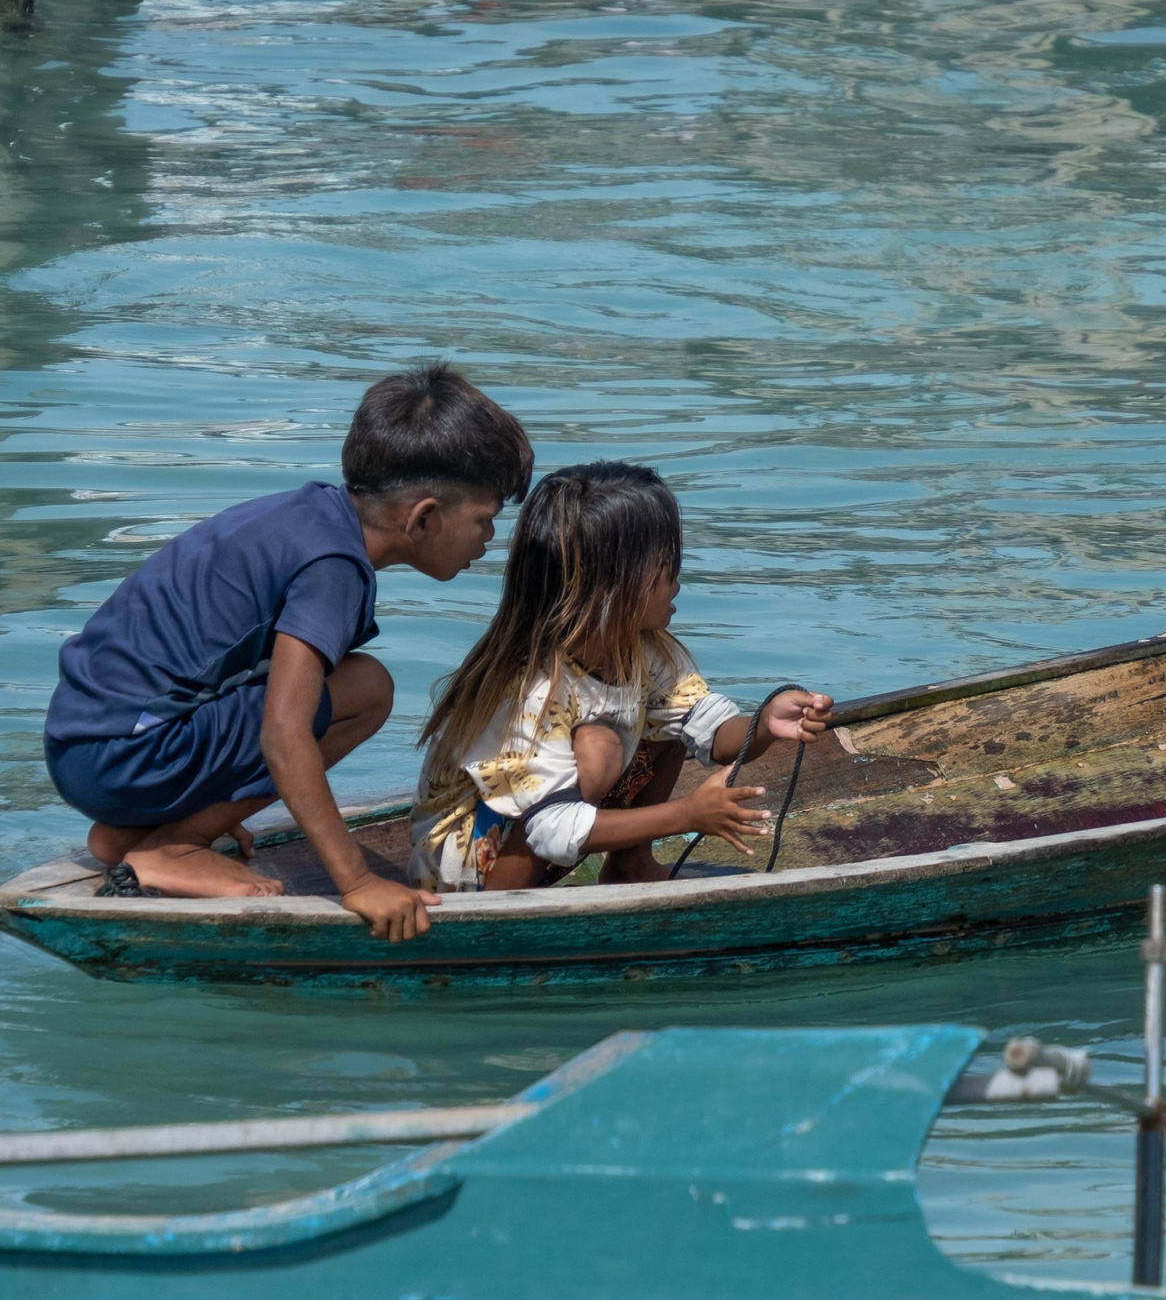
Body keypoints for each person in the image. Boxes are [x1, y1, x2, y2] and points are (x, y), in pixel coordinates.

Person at [43, 363, 533, 941]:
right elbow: (283, 733)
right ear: (424, 516)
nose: (489, 538)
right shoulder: (334, 568)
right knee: (366, 690)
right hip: (121, 756)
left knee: (342, 683)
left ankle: (137, 838)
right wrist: (356, 882)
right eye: (484, 519)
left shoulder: (312, 518)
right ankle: (176, 849)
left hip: (87, 746)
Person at [410, 462, 831, 893]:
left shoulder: (643, 648)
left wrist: (764, 723)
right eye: (667, 565)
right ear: (612, 587)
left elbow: (712, 730)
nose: (678, 582)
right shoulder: (530, 689)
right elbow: (549, 828)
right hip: (471, 868)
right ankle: (501, 912)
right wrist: (686, 815)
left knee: (663, 723)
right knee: (600, 747)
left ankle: (631, 864)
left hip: (553, 825)